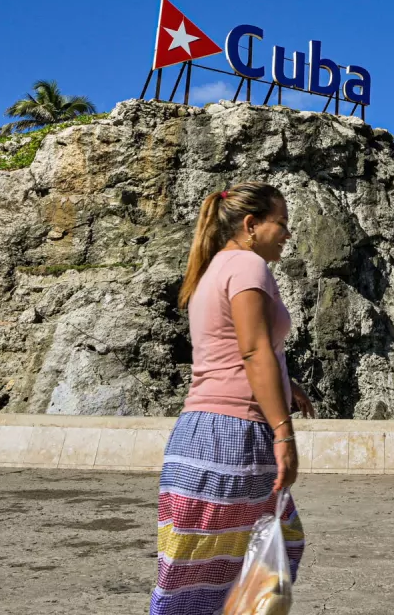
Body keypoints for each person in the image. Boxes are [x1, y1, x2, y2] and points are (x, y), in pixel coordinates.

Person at [150, 181, 316, 615]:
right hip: (234, 436)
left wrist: (285, 383)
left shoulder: (216, 268)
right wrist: (284, 434)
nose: (287, 233)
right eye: (281, 223)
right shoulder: (247, 266)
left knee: (206, 571)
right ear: (250, 225)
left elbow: (238, 348)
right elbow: (252, 350)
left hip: (205, 433)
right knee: (222, 572)